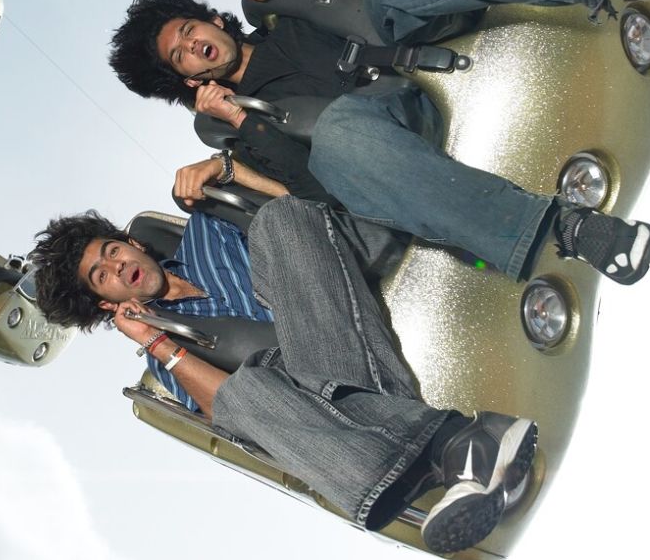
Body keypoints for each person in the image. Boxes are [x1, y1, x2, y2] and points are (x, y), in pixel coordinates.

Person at [109, 0, 650, 286]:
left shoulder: (278, 9)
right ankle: (565, 229)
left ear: (211, 19)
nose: (192, 45)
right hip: (384, 131)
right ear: (187, 82)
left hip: (416, 33)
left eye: (188, 30)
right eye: (180, 57)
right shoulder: (243, 134)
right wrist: (243, 122)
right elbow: (321, 194)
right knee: (339, 134)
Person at [30, 197, 538, 554]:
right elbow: (227, 415)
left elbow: (311, 234)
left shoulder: (208, 228)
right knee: (239, 396)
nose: (118, 267)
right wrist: (157, 343)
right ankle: (458, 447)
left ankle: (451, 449)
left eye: (111, 252)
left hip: (341, 323)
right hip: (347, 396)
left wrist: (231, 171)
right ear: (108, 303)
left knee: (279, 219)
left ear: (128, 242)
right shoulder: (162, 362)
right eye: (102, 276)